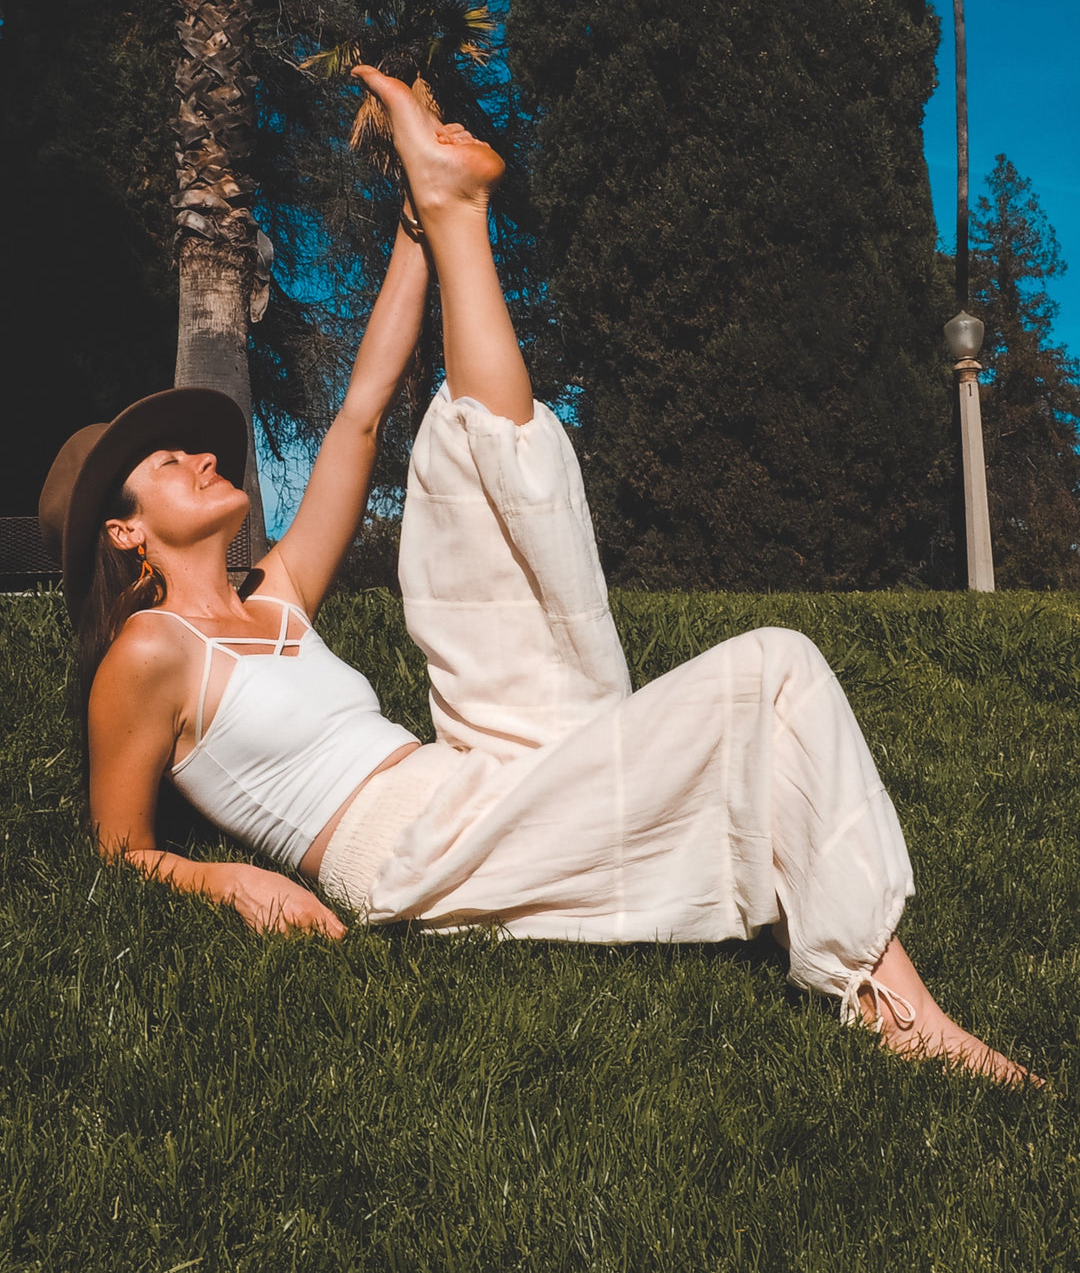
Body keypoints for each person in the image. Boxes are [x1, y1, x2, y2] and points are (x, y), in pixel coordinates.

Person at [39, 66, 1036, 1088]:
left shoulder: (274, 599)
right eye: (168, 463)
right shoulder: (151, 652)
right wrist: (235, 883)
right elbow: (119, 846)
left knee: (473, 476)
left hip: (471, 768)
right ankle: (893, 1004)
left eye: (195, 449)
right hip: (405, 846)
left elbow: (360, 413)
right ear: (124, 532)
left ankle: (453, 210)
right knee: (776, 671)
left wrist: (412, 231)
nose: (203, 458)